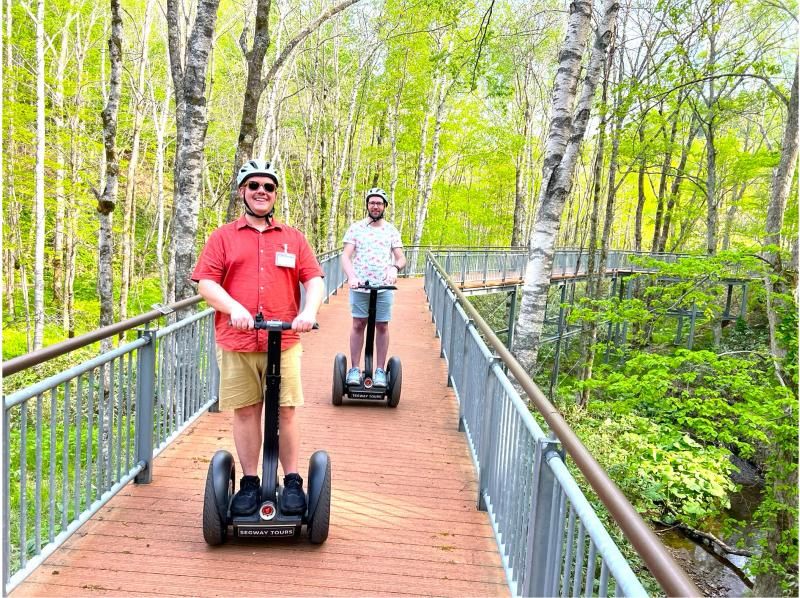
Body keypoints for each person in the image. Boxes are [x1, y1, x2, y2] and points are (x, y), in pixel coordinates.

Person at [191, 159, 325, 517]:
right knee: (247, 411)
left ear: (275, 194)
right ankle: (250, 480)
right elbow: (206, 283)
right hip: (238, 340)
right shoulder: (223, 237)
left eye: (267, 186)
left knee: (286, 411)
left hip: (285, 341)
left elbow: (314, 279)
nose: (261, 192)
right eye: (254, 186)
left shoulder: (293, 238)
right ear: (242, 192)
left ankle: (292, 479)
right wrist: (233, 306)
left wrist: (308, 311)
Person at [340, 187, 407, 388]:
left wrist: (394, 268)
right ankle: (353, 369)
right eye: (372, 203)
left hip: (384, 287)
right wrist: (351, 277)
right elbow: (345, 256)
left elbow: (401, 257)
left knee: (382, 326)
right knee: (358, 324)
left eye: (379, 203)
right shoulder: (356, 228)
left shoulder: (391, 230)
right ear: (367, 205)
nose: (375, 206)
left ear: (384, 206)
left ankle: (379, 370)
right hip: (360, 286)